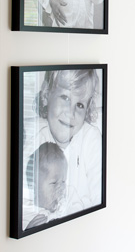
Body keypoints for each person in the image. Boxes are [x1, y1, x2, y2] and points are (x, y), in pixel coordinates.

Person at [32, 69, 103, 214]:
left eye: (80, 105)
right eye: (65, 98)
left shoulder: (90, 139)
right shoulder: (37, 142)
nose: (71, 113)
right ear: (46, 95)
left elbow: (99, 197)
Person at [22, 142, 68, 230]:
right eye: (54, 183)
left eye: (63, 181)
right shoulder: (26, 215)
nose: (61, 188)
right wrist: (29, 229)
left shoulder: (65, 206)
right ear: (33, 188)